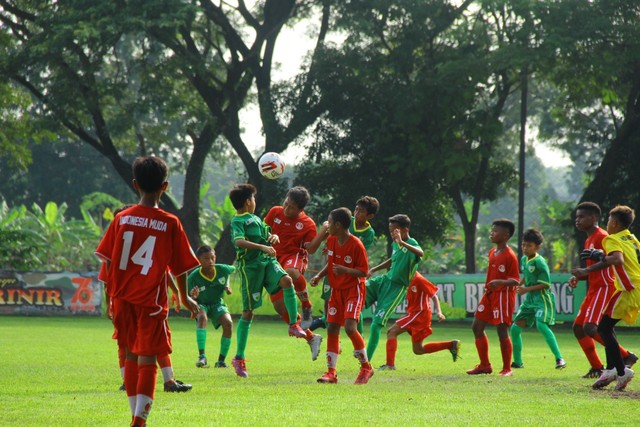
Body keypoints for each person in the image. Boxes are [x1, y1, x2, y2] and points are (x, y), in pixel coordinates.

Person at [95, 156, 201, 427]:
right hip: (150, 301)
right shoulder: (169, 223)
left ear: (134, 185)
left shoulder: (120, 219)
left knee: (131, 354)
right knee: (148, 358)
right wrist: (186, 296)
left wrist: (109, 300)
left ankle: (134, 419)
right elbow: (180, 267)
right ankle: (138, 423)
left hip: (122, 299)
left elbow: (107, 261)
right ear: (164, 187)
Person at [228, 183, 318, 378]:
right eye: (253, 198)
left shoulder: (256, 219)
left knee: (287, 280)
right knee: (248, 313)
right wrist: (262, 247)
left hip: (267, 262)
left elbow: (266, 235)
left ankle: (295, 324)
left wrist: (272, 237)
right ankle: (239, 358)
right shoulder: (238, 220)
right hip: (251, 269)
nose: (255, 201)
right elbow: (239, 242)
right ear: (247, 202)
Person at [569, 202, 637, 378]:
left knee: (592, 328)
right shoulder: (588, 239)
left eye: (581, 216)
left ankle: (624, 356)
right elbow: (598, 266)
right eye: (576, 217)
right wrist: (580, 275)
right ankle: (597, 367)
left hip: (605, 286)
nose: (577, 220)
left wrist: (587, 270)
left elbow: (613, 261)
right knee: (578, 328)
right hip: (594, 287)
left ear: (593, 218)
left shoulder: (603, 236)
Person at [310, 207, 373, 384]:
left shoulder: (356, 244)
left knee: (350, 328)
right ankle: (331, 372)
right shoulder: (331, 240)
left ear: (338, 225)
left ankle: (366, 367)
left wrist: (345, 270)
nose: (327, 226)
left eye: (329, 222)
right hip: (336, 291)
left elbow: (364, 272)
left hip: (354, 290)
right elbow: (331, 264)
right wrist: (319, 276)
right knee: (331, 327)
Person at [310, 195, 380, 332]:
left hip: (350, 274)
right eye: (356, 209)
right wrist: (328, 245)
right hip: (334, 269)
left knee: (352, 308)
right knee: (328, 301)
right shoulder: (347, 221)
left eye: (361, 211)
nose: (357, 213)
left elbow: (360, 256)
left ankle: (357, 336)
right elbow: (329, 235)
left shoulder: (368, 233)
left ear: (370, 216)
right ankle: (327, 324)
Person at [264, 186, 328, 329]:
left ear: (300, 210)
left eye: (292, 207)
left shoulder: (307, 223)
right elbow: (262, 232)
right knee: (280, 307)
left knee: (291, 272)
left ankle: (306, 306)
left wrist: (323, 231)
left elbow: (310, 249)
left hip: (295, 256)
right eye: (286, 203)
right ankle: (309, 335)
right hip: (273, 259)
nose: (287, 209)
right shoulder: (275, 212)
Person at [365, 214, 423, 362]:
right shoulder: (395, 244)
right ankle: (357, 344)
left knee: (375, 324)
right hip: (384, 281)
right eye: (390, 231)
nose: (392, 234)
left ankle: (366, 362)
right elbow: (392, 260)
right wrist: (373, 269)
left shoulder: (411, 243)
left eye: (395, 230)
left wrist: (402, 242)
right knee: (357, 295)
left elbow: (420, 253)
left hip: (396, 289)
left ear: (405, 229)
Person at [467, 219, 520, 377]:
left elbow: (515, 281)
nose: (491, 233)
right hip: (489, 294)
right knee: (476, 327)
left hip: (503, 296)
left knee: (502, 330)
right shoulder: (492, 252)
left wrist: (500, 282)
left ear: (506, 235)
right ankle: (484, 365)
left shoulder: (510, 255)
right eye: (492, 230)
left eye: (495, 231)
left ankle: (507, 369)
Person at [377, 272, 460, 370]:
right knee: (418, 350)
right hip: (416, 314)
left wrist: (439, 312)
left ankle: (390, 365)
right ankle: (451, 344)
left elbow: (434, 296)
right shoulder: (405, 278)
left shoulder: (419, 279)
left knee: (391, 332)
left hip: (420, 314)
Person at [510, 229, 565, 370]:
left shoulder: (540, 262)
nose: (525, 248)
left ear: (537, 247)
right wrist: (520, 284)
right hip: (530, 299)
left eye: (529, 245)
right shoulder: (524, 259)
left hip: (542, 298)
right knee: (515, 329)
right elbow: (526, 275)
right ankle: (517, 362)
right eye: (523, 245)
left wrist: (526, 289)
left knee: (541, 325)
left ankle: (559, 358)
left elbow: (546, 284)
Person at [188, 245, 234, 369]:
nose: (210, 261)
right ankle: (202, 356)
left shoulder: (222, 269)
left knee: (228, 323)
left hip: (217, 303)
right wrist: (193, 296)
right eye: (206, 259)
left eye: (212, 258)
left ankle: (221, 362)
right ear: (199, 260)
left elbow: (229, 272)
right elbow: (188, 299)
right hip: (201, 303)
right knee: (202, 318)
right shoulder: (193, 277)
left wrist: (227, 285)